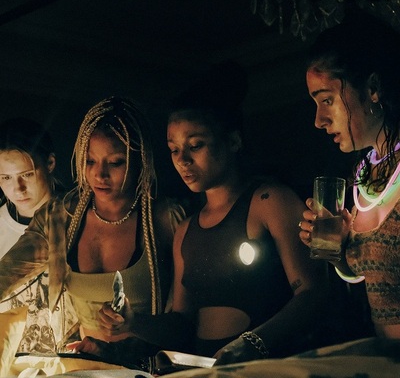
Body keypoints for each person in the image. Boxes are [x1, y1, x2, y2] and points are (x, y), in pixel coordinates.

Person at [74, 63, 328, 367]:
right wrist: (133, 322)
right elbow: (182, 326)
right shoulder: (185, 230)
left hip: (266, 369)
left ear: (233, 141)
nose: (182, 160)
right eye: (174, 149)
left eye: (195, 145)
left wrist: (254, 343)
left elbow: (314, 294)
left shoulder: (269, 202)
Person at [0, 97, 185, 364]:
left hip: (146, 370)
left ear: (140, 161)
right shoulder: (60, 217)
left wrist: (134, 323)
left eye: (115, 162)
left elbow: (187, 327)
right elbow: (6, 274)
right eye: (90, 161)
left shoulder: (166, 219)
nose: (100, 174)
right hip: (84, 366)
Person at [299, 12, 400, 340]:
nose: (318, 120)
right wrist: (339, 249)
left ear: (373, 88)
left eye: (327, 100)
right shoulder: (364, 174)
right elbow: (371, 273)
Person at [0, 117, 73, 355]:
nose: (17, 188)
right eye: (6, 178)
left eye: (27, 174)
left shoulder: (77, 217)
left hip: (66, 356)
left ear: (50, 163)